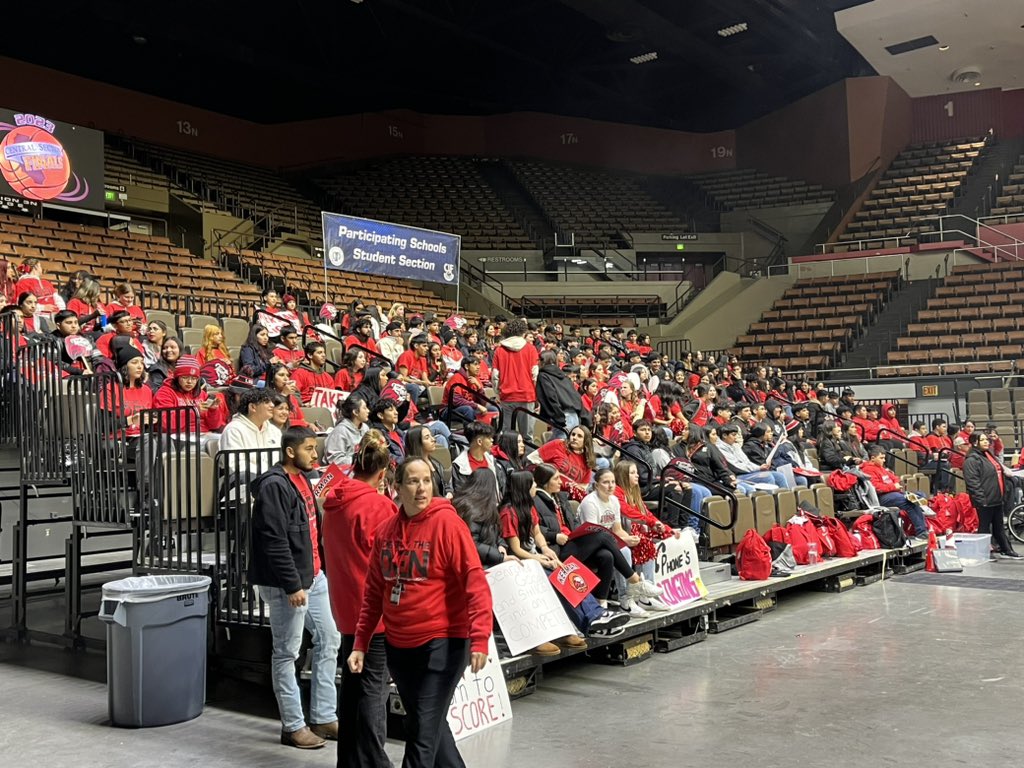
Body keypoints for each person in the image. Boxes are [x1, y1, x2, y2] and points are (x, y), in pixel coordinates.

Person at [348, 456, 493, 768]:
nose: (421, 487)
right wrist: (361, 642)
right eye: (413, 481)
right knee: (431, 727)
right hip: (399, 647)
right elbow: (374, 591)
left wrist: (480, 638)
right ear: (396, 486)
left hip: (442, 643)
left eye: (426, 480)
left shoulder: (448, 524)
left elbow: (474, 581)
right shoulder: (386, 531)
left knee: (420, 736)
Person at [249, 426, 341, 749]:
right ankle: (292, 726)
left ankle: (323, 715)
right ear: (290, 452)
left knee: (330, 638)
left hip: (313, 577)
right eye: (310, 449)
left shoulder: (302, 479)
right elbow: (274, 541)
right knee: (286, 653)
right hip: (287, 583)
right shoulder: (274, 486)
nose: (315, 455)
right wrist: (291, 584)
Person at [322, 430, 398, 768]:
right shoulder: (378, 506)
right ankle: (373, 761)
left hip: (345, 606)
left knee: (354, 687)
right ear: (382, 474)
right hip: (375, 611)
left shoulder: (334, 501)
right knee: (372, 688)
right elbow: (392, 561)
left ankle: (351, 760)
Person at [578, 468, 667, 618]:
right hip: (589, 544)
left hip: (608, 540)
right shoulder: (590, 502)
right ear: (596, 485)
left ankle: (644, 597)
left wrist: (629, 539)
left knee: (643, 543)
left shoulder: (614, 500)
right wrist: (624, 541)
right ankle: (626, 599)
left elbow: (617, 529)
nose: (610, 486)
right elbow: (593, 534)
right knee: (624, 550)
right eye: (605, 482)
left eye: (612, 482)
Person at [963, 432, 1022, 559]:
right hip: (985, 499)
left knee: (999, 527)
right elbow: (972, 482)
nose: (986, 442)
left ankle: (1006, 549)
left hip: (996, 498)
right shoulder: (972, 460)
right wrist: (981, 499)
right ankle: (982, 553)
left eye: (986, 440)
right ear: (975, 443)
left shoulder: (988, 455)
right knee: (984, 528)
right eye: (982, 440)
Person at [860, 445, 930, 543]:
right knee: (908, 502)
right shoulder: (867, 470)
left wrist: (894, 484)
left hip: (893, 493)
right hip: (881, 497)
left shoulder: (881, 468)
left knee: (920, 494)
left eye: (884, 458)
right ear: (872, 458)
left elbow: (895, 478)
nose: (884, 460)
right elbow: (876, 488)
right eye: (881, 458)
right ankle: (922, 532)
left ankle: (922, 511)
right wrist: (893, 486)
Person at [151, 355, 230, 435]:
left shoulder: (200, 393)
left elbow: (214, 425)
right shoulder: (164, 393)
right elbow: (165, 423)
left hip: (204, 435)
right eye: (185, 377)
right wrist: (194, 411)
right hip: (178, 437)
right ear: (177, 377)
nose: (189, 382)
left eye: (194, 378)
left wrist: (213, 410)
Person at [492, 318, 539, 437]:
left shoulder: (499, 350)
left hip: (507, 396)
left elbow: (495, 376)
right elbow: (535, 374)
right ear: (524, 333)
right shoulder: (531, 349)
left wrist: (498, 393)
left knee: (506, 435)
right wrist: (537, 395)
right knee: (527, 436)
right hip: (527, 396)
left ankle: (506, 456)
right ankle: (526, 455)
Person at [526, 425, 598, 502]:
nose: (574, 438)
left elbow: (583, 486)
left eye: (579, 436)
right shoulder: (559, 444)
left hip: (566, 498)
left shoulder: (587, 460)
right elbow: (532, 459)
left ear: (586, 441)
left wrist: (575, 486)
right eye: (573, 434)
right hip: (545, 490)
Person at [219, 388, 280, 476]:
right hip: (243, 483)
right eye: (267, 402)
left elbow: (281, 460)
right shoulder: (233, 430)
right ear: (252, 407)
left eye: (272, 402)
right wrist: (267, 475)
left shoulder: (274, 430)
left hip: (273, 479)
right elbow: (234, 466)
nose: (272, 405)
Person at [536, 349, 583, 438]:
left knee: (557, 449)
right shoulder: (563, 376)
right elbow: (576, 396)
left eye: (539, 360)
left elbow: (550, 397)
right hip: (574, 416)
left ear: (543, 360)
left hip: (562, 417)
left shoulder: (543, 376)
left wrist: (559, 419)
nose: (537, 363)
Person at [451, 420, 505, 497]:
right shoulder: (460, 465)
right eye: (489, 438)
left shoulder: (491, 460)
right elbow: (462, 494)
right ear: (479, 442)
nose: (492, 440)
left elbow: (500, 488)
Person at [405, 424, 451, 499]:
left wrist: (449, 491)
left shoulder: (435, 461)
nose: (433, 439)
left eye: (431, 436)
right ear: (417, 443)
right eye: (427, 437)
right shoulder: (413, 468)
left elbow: (445, 484)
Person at [325, 393, 370, 466]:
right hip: (345, 470)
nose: (368, 411)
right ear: (355, 412)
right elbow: (335, 459)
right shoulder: (340, 431)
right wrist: (358, 461)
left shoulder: (365, 428)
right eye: (364, 408)